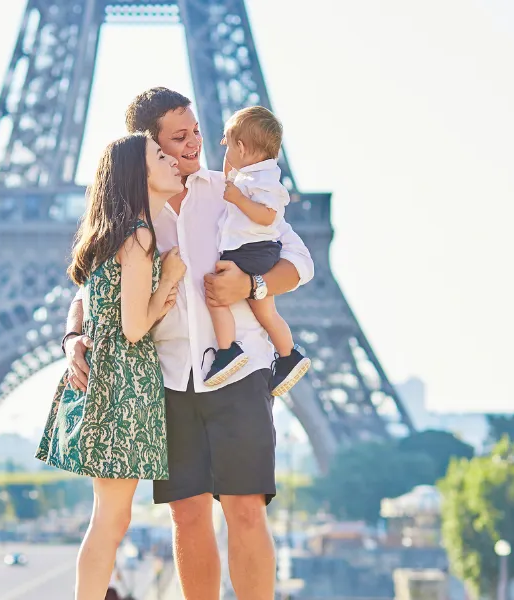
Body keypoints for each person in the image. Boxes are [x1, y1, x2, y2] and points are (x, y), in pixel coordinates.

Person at [62, 88, 315, 600]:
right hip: (167, 378)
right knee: (188, 512)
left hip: (239, 368)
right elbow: (91, 287)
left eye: (197, 130)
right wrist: (72, 336)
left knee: (245, 508)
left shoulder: (231, 191)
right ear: (149, 146)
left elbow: (301, 262)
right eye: (179, 137)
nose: (196, 142)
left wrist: (251, 287)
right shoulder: (133, 214)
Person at [36, 133, 188, 600]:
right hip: (126, 383)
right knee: (110, 519)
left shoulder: (112, 233)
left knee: (110, 516)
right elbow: (135, 327)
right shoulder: (140, 234)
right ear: (137, 175)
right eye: (159, 155)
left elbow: (97, 306)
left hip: (105, 379)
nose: (171, 159)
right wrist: (171, 281)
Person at [204, 105, 310, 396]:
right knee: (267, 313)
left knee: (216, 297)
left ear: (241, 146)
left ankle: (227, 351)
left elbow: (268, 216)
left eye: (230, 144)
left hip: (249, 252)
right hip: (256, 252)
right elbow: (230, 175)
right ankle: (288, 356)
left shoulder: (262, 182)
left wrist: (237, 199)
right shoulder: (251, 175)